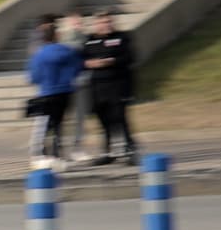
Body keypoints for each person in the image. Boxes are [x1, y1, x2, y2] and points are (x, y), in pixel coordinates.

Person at [82, 11, 139, 166]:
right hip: (98, 86)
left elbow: (130, 57)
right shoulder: (89, 40)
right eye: (102, 22)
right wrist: (88, 64)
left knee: (120, 117)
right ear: (96, 24)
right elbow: (81, 59)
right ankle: (108, 152)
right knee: (103, 120)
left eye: (108, 21)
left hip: (118, 84)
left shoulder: (121, 37)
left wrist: (111, 61)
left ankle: (131, 150)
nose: (106, 25)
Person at [27, 22, 82, 169]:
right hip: (66, 93)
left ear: (44, 38)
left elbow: (33, 77)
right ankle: (58, 155)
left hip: (47, 92)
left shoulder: (39, 54)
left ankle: (40, 155)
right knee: (59, 125)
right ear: (57, 35)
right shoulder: (68, 51)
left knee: (44, 125)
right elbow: (78, 69)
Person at [58, 10, 93, 161]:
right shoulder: (62, 43)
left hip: (81, 83)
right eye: (75, 23)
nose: (78, 26)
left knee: (79, 118)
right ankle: (58, 150)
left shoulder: (86, 40)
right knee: (62, 119)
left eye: (80, 22)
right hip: (64, 86)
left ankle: (77, 148)